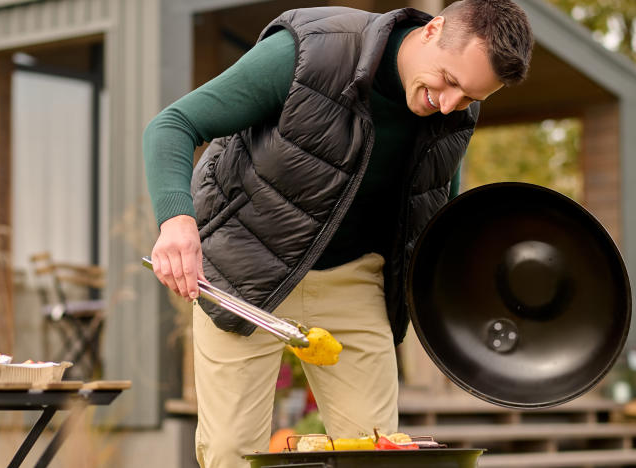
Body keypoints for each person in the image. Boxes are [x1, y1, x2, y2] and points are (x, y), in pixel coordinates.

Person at [143, 1, 533, 466]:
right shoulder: (313, 51)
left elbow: (436, 203)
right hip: (246, 271)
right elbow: (173, 125)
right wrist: (176, 222)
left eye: (469, 97)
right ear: (433, 31)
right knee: (232, 453)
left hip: (354, 281)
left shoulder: (454, 115)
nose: (448, 104)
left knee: (377, 452)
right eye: (449, 81)